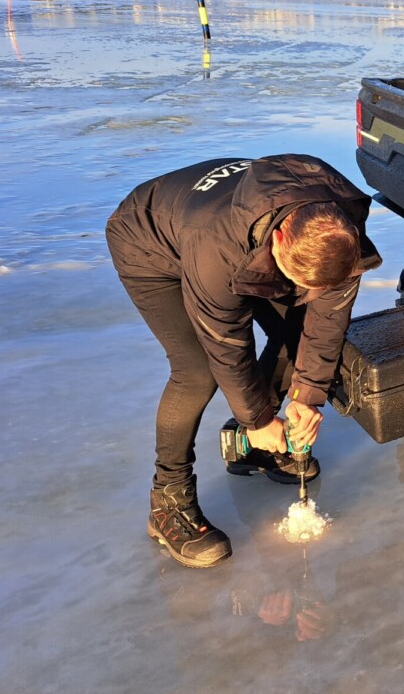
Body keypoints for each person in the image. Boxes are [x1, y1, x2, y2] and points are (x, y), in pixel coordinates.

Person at [106, 154, 380, 568]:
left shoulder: (342, 229)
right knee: (196, 372)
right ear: (281, 242)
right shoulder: (216, 248)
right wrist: (257, 418)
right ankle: (168, 500)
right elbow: (227, 346)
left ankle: (252, 449)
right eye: (294, 282)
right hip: (148, 242)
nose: (299, 290)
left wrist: (308, 395)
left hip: (236, 228)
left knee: (298, 326)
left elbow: (326, 319)